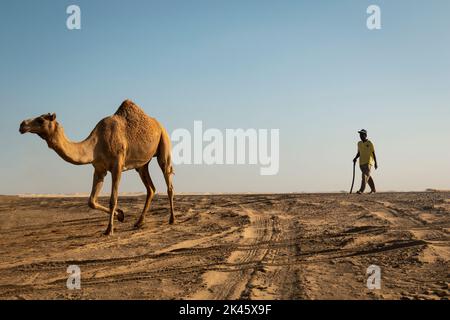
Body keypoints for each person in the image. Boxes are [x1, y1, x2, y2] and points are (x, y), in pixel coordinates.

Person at [353, 129, 378, 194]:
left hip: (368, 162)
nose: (360, 136)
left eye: (362, 134)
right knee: (368, 176)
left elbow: (373, 153)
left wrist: (376, 163)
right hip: (361, 162)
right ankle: (373, 190)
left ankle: (361, 190)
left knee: (364, 175)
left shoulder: (369, 143)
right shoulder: (359, 143)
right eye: (360, 135)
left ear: (365, 135)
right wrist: (355, 158)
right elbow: (359, 152)